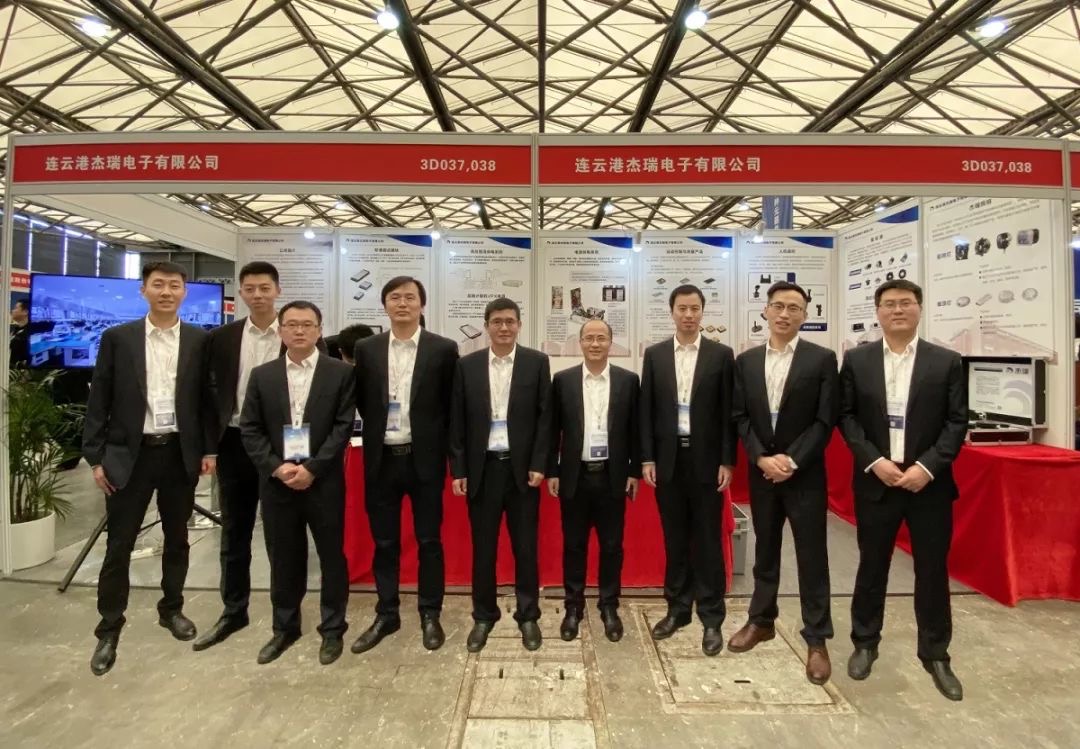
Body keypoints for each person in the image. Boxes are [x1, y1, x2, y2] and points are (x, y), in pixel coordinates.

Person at [82, 261, 216, 676]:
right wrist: (95, 456)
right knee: (118, 544)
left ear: (184, 292)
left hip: (178, 453)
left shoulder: (199, 340)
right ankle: (109, 627)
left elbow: (206, 400)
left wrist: (209, 450)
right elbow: (99, 397)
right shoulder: (118, 338)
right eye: (158, 284)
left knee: (178, 539)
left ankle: (171, 609)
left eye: (174, 285)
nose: (166, 292)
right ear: (144, 291)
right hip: (129, 455)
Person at [839, 279, 967, 701]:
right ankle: (865, 642)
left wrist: (926, 467)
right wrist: (874, 461)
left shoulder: (945, 361)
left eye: (906, 303)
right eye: (890, 304)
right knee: (871, 565)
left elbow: (957, 422)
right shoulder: (857, 360)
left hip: (928, 485)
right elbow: (847, 417)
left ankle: (935, 653)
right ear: (878, 312)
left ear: (919, 308)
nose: (898, 310)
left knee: (932, 570)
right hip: (877, 481)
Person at [729, 281, 838, 684]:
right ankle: (761, 620)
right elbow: (740, 416)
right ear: (766, 311)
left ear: (804, 316)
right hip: (763, 473)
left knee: (812, 556)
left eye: (794, 308)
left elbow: (825, 420)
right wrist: (760, 457)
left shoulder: (821, 359)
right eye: (778, 306)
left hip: (804, 474)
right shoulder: (746, 361)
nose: (784, 314)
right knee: (766, 549)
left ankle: (817, 638)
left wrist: (792, 460)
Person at [240, 301, 355, 666]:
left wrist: (314, 469)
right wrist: (276, 468)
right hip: (278, 484)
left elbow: (343, 427)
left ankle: (333, 628)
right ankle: (285, 628)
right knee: (283, 557)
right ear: (281, 331)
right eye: (291, 324)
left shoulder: (340, 373)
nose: (299, 330)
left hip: (324, 482)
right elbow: (250, 428)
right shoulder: (263, 375)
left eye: (307, 324)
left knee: (332, 557)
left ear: (319, 330)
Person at [350, 277, 458, 654]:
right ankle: (387, 613)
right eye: (394, 297)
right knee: (385, 542)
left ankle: (430, 612)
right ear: (384, 305)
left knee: (429, 540)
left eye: (410, 297)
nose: (402, 304)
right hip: (382, 460)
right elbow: (363, 398)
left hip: (424, 459)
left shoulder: (443, 348)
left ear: (421, 305)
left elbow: (451, 405)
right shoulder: (367, 348)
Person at [450, 297, 551, 653]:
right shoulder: (467, 365)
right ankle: (484, 615)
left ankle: (528, 615)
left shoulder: (536, 363)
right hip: (483, 471)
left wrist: (540, 463)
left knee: (525, 547)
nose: (504, 327)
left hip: (522, 473)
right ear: (487, 326)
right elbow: (457, 420)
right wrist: (459, 468)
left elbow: (545, 418)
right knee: (484, 549)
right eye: (497, 321)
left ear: (519, 325)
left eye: (510, 321)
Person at [640, 283, 736, 656]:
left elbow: (729, 412)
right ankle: (677, 610)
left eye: (695, 308)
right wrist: (648, 458)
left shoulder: (720, 355)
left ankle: (711, 618)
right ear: (672, 312)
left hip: (707, 461)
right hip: (668, 461)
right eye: (682, 308)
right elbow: (647, 410)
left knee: (708, 541)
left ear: (702, 312)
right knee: (675, 539)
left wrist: (727, 460)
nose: (689, 315)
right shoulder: (655, 355)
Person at [194, 261, 284, 652]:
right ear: (241, 292)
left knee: (280, 535)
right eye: (250, 288)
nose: (258, 295)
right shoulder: (222, 338)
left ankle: (285, 619)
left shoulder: (297, 332)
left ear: (277, 290)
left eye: (264, 288)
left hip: (281, 447)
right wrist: (209, 447)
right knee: (234, 532)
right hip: (233, 444)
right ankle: (234, 611)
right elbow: (207, 396)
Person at [547, 319, 639, 643]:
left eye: (601, 338)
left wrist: (634, 471)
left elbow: (636, 429)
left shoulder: (628, 381)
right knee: (574, 545)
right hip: (575, 476)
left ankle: (609, 606)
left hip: (613, 477)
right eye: (589, 338)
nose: (595, 344)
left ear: (611, 342)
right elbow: (552, 430)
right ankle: (573, 607)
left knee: (612, 546)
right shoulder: (563, 380)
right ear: (580, 342)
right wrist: (552, 471)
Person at [10, 299, 29, 367]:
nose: (12, 311)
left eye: (16, 308)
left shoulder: (27, 335)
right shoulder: (16, 329)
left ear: (25, 312)